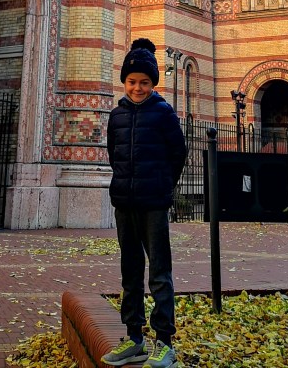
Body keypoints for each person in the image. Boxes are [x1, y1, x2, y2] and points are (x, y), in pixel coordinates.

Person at [102, 39, 187, 368]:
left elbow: (178, 154)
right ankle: (134, 338)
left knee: (160, 272)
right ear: (124, 81)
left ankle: (164, 342)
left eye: (145, 82)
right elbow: (114, 155)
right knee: (130, 270)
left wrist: (163, 187)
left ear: (153, 84)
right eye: (132, 81)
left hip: (153, 204)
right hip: (125, 202)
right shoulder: (116, 116)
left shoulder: (163, 113)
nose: (138, 88)